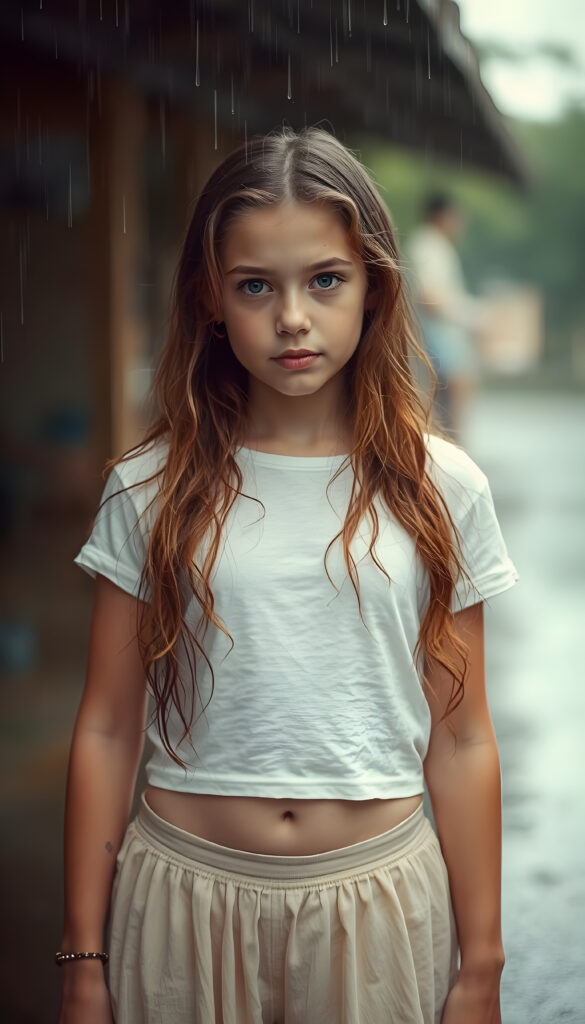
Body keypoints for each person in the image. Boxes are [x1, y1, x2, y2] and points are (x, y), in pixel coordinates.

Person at [57, 128, 518, 1024]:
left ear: (374, 288)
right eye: (256, 285)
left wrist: (482, 965)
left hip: (377, 906)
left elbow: (462, 741)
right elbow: (109, 726)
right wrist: (82, 960)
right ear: (211, 299)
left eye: (325, 280)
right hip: (182, 903)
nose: (293, 317)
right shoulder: (148, 487)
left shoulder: (441, 489)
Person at [406, 193, 487, 440]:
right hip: (436, 332)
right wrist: (474, 317)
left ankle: (451, 444)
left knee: (448, 396)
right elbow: (431, 297)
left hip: (441, 333)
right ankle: (453, 447)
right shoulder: (428, 245)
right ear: (442, 215)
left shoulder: (435, 245)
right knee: (456, 387)